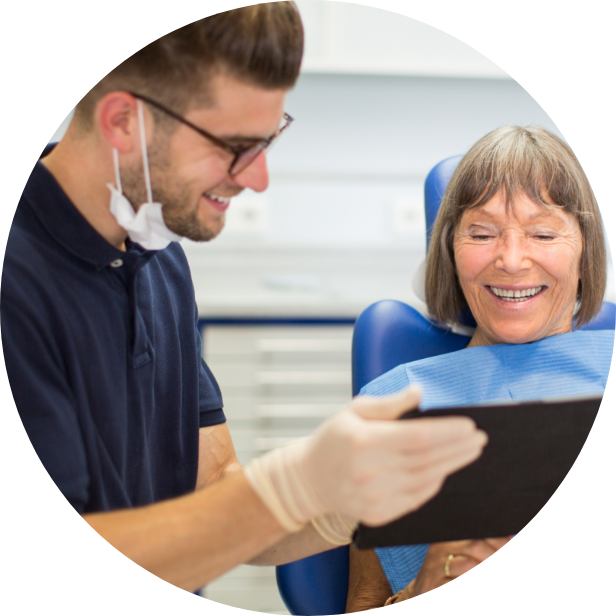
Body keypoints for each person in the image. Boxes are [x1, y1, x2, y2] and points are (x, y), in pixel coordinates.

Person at [0, 5, 489, 594]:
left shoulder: (157, 255)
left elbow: (210, 491)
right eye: (234, 146)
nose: (257, 179)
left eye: (268, 140)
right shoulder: (17, 289)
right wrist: (289, 488)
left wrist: (349, 503)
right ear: (122, 122)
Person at [345, 124, 614, 611]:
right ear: (450, 250)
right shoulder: (393, 407)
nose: (511, 261)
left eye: (543, 232)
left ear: (585, 250)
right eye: (483, 233)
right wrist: (425, 586)